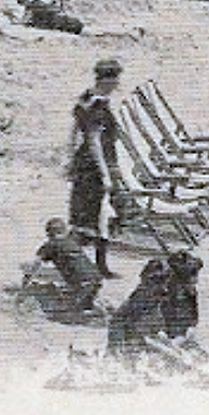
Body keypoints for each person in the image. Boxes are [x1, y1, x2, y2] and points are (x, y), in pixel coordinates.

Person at [68, 59, 128, 278]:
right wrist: (105, 174)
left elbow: (75, 131)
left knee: (83, 215)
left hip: (82, 162)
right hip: (94, 166)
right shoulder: (98, 106)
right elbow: (94, 141)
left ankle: (82, 264)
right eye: (115, 80)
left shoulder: (86, 98)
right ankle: (97, 267)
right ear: (108, 80)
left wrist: (69, 157)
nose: (116, 85)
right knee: (99, 215)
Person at [24, 218, 104, 322]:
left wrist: (26, 281)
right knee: (82, 304)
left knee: (62, 313)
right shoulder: (71, 240)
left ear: (49, 233)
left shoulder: (50, 245)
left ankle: (83, 310)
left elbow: (35, 264)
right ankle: (89, 307)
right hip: (96, 280)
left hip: (81, 284)